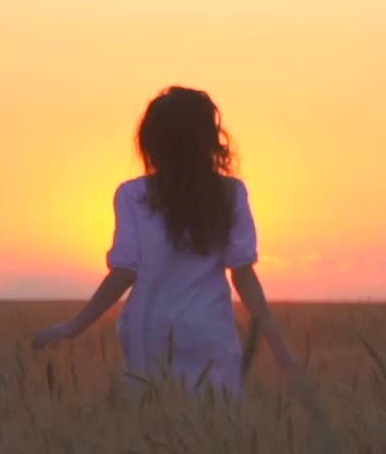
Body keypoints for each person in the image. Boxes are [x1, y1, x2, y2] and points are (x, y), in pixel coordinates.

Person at [32, 86, 297, 394]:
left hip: (149, 333)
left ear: (151, 142)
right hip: (208, 332)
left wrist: (72, 328)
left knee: (150, 427)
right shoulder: (231, 194)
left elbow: (124, 272)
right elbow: (243, 274)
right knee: (213, 430)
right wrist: (278, 345)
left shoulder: (132, 195)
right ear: (209, 141)